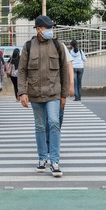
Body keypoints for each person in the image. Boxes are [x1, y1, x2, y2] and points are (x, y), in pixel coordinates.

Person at [17, 15, 68, 177]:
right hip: (35, 93)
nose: (50, 31)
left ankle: (55, 161)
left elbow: (64, 70)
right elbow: (22, 70)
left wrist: (64, 95)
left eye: (51, 28)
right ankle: (42, 159)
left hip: (54, 92)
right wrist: (22, 92)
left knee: (53, 122)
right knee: (39, 126)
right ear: (39, 29)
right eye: (47, 28)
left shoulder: (57, 45)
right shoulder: (28, 46)